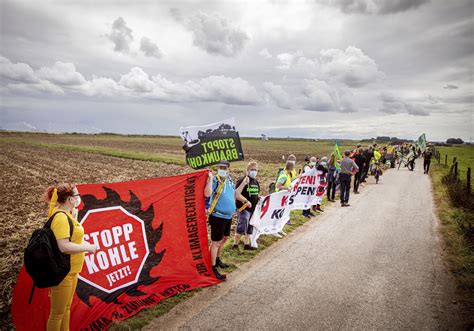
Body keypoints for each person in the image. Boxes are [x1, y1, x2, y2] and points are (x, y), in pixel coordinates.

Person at [44, 183, 97, 331]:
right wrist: (89, 248)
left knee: (66, 309)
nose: (79, 198)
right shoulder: (60, 217)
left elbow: (74, 238)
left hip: (72, 270)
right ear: (70, 199)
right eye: (77, 195)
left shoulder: (66, 213)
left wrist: (74, 216)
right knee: (57, 314)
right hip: (64, 273)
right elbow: (64, 246)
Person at [206, 160, 246, 280]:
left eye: (224, 167)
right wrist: (209, 179)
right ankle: (212, 267)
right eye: (220, 167)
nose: (222, 169)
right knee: (215, 242)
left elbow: (235, 194)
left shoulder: (229, 180)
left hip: (228, 216)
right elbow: (207, 194)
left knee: (224, 239)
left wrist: (244, 183)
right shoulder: (215, 180)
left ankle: (217, 260)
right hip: (217, 216)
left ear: (229, 168)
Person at [233, 162, 260, 250]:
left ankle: (246, 244)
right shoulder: (243, 179)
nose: (254, 171)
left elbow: (255, 193)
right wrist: (246, 201)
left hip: (253, 209)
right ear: (247, 170)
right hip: (243, 208)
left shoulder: (255, 181)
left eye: (255, 170)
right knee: (241, 227)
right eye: (252, 170)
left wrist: (259, 198)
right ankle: (235, 245)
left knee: (249, 227)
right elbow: (236, 194)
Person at [275, 161, 295, 235]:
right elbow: (278, 186)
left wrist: (289, 186)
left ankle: (279, 228)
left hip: (283, 197)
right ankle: (275, 230)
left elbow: (287, 184)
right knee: (278, 214)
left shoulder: (287, 174)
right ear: (291, 168)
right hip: (279, 197)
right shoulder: (284, 175)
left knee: (282, 214)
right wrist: (287, 188)